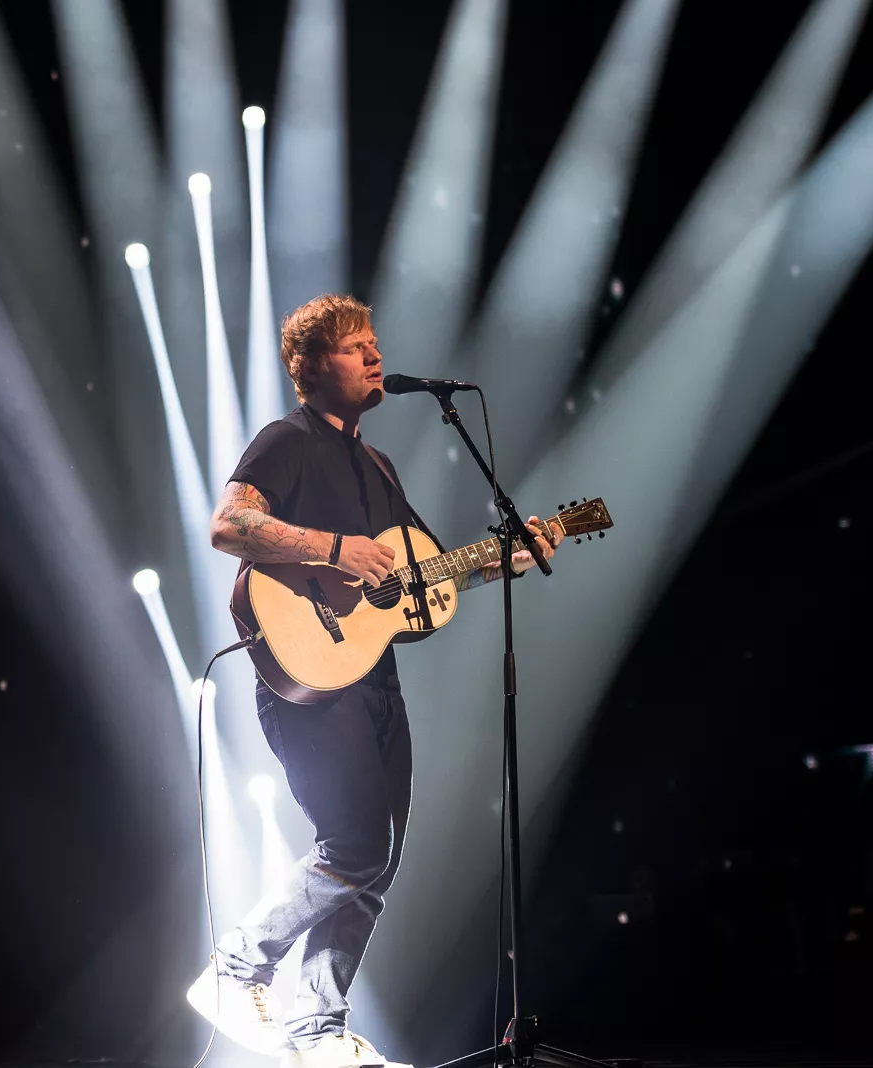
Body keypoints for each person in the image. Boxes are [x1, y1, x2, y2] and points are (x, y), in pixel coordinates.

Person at [186, 294, 561, 1068]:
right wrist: (332, 548)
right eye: (354, 346)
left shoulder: (378, 466)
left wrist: (506, 557)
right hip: (307, 679)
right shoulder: (287, 441)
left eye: (373, 342)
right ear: (309, 366)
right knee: (355, 845)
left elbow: (422, 576)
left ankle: (317, 1029)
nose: (373, 355)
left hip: (373, 679)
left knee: (377, 861)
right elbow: (230, 525)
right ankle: (237, 967)